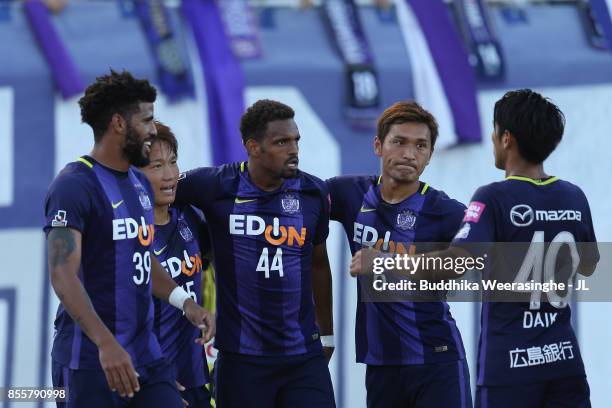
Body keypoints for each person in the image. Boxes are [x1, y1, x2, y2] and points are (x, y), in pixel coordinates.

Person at [352, 90, 599, 407]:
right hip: (564, 360)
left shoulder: (493, 196)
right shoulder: (573, 196)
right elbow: (589, 265)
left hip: (510, 366)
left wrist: (385, 263)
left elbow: (456, 264)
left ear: (506, 138)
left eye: (495, 131)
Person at [44, 70, 214, 408]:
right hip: (91, 360)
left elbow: (140, 255)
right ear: (119, 123)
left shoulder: (138, 183)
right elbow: (62, 274)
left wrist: (186, 302)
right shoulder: (74, 185)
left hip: (146, 356)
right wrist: (106, 343)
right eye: (147, 120)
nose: (153, 129)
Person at [174, 99, 336, 407]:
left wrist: (326, 336)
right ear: (253, 147)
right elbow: (156, 189)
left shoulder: (313, 192)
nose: (294, 150)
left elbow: (319, 265)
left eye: (296, 140)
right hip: (241, 359)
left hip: (303, 358)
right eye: (281, 142)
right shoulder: (213, 185)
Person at [329, 101, 472, 408]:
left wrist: (384, 261)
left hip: (437, 360)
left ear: (430, 155)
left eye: (421, 146)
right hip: (381, 365)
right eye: (399, 142)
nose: (409, 154)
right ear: (378, 145)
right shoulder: (350, 193)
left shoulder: (444, 210)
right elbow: (295, 200)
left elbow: (468, 260)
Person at [139, 121, 214, 407]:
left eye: (173, 162)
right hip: (149, 378)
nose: (170, 175)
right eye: (156, 166)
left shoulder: (190, 217)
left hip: (195, 376)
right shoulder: (124, 231)